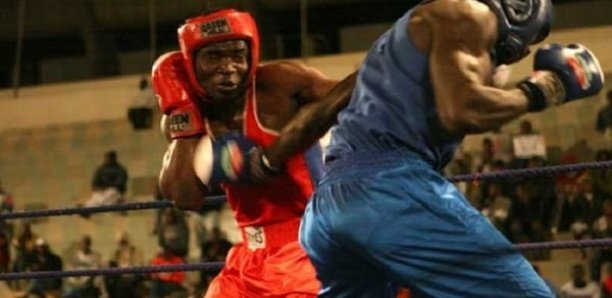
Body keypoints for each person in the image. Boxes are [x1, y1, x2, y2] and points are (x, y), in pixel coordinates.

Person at [296, 0, 604, 297]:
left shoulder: (407, 35)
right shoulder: (469, 15)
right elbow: (463, 109)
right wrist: (546, 88)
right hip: (387, 190)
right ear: (516, 11)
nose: (522, 51)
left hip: (327, 206)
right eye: (524, 43)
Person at [154, 8, 356, 297]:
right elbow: (184, 197)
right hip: (250, 256)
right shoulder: (188, 117)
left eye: (237, 55)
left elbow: (355, 95)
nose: (228, 66)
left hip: (308, 246)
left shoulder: (278, 86)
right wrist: (183, 119)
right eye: (214, 57)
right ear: (191, 63)